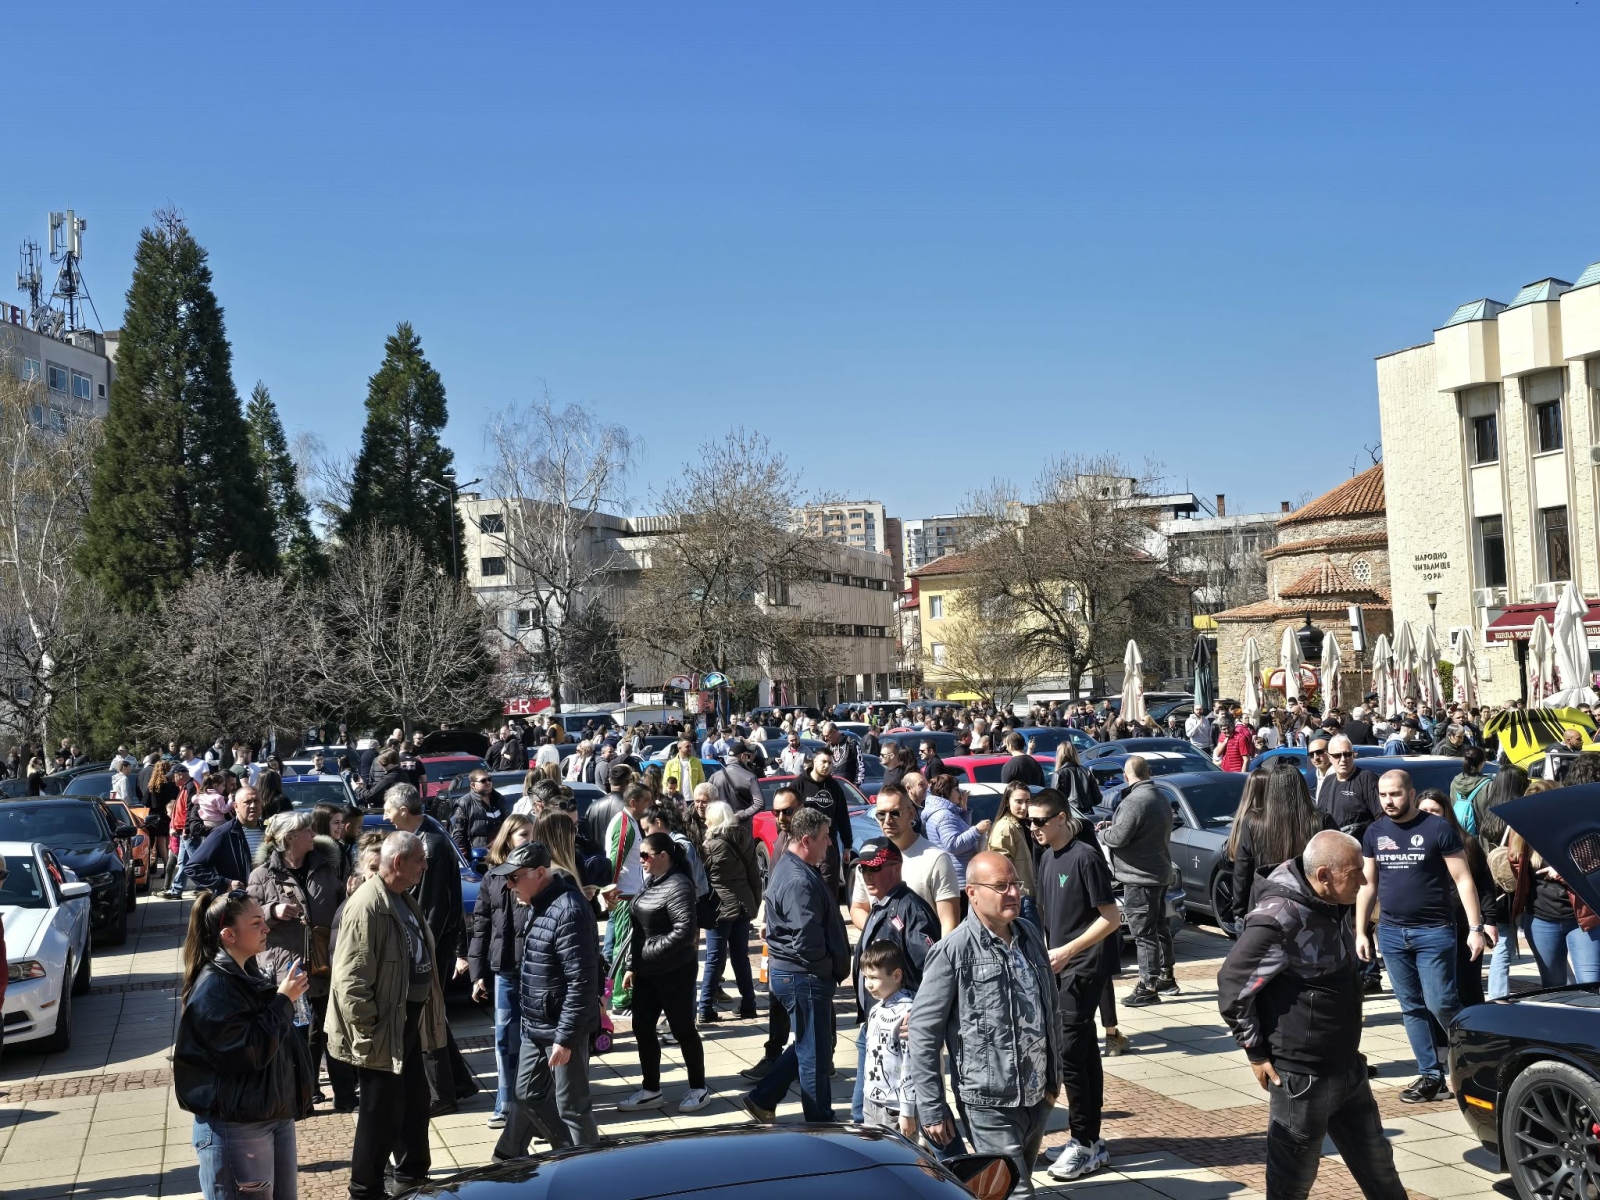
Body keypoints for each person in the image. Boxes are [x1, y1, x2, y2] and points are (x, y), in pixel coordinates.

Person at [1218, 831, 1407, 1200]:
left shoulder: (1332, 901)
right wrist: (1255, 1052)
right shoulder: (1278, 918)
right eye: (1355, 873)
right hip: (1301, 1079)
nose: (1364, 881)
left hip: (1348, 1068)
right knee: (1290, 1186)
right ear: (1324, 876)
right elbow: (1232, 984)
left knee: (1381, 1173)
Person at [907, 851, 1060, 1199]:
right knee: (1017, 1193)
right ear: (972, 893)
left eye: (1016, 884)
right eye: (1001, 886)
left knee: (1001, 1191)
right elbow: (923, 1033)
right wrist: (932, 1107)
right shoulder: (953, 950)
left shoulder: (1029, 934)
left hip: (1037, 1095)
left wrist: (1055, 1077)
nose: (1013, 893)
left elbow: (1049, 1007)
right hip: (989, 1102)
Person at [326, 832, 448, 1200]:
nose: (425, 866)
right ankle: (365, 1189)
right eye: (419, 860)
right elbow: (350, 979)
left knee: (414, 1102)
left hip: (405, 1019)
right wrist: (368, 1030)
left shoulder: (403, 898)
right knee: (379, 1112)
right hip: (381, 1026)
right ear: (399, 862)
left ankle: (411, 1176)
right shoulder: (368, 905)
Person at [1355, 769, 1488, 1102]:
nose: (1388, 801)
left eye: (1395, 794)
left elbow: (1464, 880)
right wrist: (1361, 931)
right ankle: (1431, 1076)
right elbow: (1367, 885)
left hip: (1434, 932)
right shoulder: (1374, 832)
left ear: (1411, 794)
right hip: (1391, 933)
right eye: (1383, 795)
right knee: (1411, 1007)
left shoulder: (1437, 828)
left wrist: (1475, 928)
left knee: (1441, 1002)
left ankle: (1477, 1059)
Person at [175, 889, 313, 1200]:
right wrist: (283, 1001)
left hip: (271, 1114)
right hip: (237, 1125)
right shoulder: (215, 986)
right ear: (229, 935)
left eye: (263, 920)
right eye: (255, 923)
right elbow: (247, 1051)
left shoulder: (247, 972)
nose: (266, 928)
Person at [489, 841, 601, 1159]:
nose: (509, 885)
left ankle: (590, 1169)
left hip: (562, 1028)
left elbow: (581, 981)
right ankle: (565, 1153)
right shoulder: (539, 904)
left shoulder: (569, 909)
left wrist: (565, 1038)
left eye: (514, 878)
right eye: (507, 878)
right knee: (526, 1093)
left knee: (572, 1106)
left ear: (540, 873)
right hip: (536, 1025)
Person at [1030, 789, 1121, 1183]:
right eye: (1029, 821)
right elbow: (1050, 916)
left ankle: (1083, 1142)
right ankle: (1090, 1140)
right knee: (1082, 1051)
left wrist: (1068, 950)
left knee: (1068, 1052)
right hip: (1060, 965)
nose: (1033, 828)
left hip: (1085, 966)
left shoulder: (1085, 857)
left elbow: (1111, 918)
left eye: (1040, 821)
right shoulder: (1046, 858)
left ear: (1061, 819)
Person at [741, 807, 850, 1122]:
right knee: (814, 1056)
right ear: (806, 840)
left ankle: (763, 1098)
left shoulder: (793, 866)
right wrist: (827, 969)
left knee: (810, 1044)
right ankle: (819, 1122)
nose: (829, 843)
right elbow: (807, 941)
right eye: (825, 837)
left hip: (800, 975)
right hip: (805, 977)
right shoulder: (798, 879)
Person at [381, 784, 472, 1115]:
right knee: (433, 1016)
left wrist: (419, 950)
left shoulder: (430, 844)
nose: (386, 817)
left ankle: (443, 1094)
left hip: (431, 946)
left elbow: (433, 907)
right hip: (431, 943)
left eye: (388, 810)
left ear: (404, 811)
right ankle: (459, 1082)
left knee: (427, 1018)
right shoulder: (427, 835)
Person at [247, 811, 343, 1108]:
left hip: (324, 962)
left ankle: (342, 1093)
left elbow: (342, 906)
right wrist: (271, 911)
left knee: (330, 1028)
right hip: (286, 966)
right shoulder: (262, 875)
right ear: (290, 837)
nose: (313, 834)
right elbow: (248, 917)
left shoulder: (326, 868)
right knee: (296, 1034)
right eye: (307, 830)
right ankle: (304, 1094)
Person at [848, 836, 939, 1123]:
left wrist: (920, 1014)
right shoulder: (881, 905)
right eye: (863, 869)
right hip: (877, 1021)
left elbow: (933, 970)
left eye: (874, 868)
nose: (867, 876)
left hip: (900, 1029)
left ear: (896, 867)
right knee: (866, 1108)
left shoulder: (910, 909)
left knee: (906, 1115)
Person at [618, 832, 710, 1112]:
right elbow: (637, 929)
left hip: (675, 971)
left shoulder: (679, 884)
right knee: (642, 1027)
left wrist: (648, 952)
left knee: (683, 1029)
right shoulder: (651, 882)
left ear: (663, 856)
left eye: (645, 855)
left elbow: (685, 931)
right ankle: (651, 1089)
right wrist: (633, 965)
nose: (641, 860)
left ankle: (698, 1088)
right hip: (647, 972)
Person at [468, 814, 537, 1129]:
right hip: (505, 969)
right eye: (523, 834)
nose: (529, 839)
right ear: (508, 837)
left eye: (532, 834)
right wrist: (477, 972)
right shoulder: (492, 877)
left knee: (531, 1039)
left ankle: (531, 1103)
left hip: (535, 969)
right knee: (504, 1038)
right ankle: (505, 1101)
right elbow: (481, 926)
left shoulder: (538, 873)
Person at [1098, 757, 1176, 1005]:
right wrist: (1115, 825)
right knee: (1159, 926)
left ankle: (1148, 987)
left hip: (1139, 877)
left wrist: (1103, 832)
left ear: (1126, 776)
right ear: (1149, 772)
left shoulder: (1134, 800)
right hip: (1159, 873)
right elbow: (1140, 829)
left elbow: (1119, 837)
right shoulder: (1159, 796)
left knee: (1144, 933)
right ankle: (1166, 977)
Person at [1415, 789, 1499, 1007]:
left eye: (1434, 811)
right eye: (1423, 811)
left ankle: (1474, 1025)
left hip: (1463, 925)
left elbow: (1484, 885)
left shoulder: (1467, 843)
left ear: (1446, 813)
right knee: (1435, 989)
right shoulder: (1412, 845)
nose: (1429, 815)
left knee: (1468, 985)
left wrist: (1489, 920)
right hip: (1428, 926)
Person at [854, 783, 961, 935]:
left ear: (911, 814)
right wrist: (884, 932)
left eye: (895, 813)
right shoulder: (869, 857)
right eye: (881, 814)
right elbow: (858, 907)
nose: (887, 820)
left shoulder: (937, 859)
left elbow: (949, 923)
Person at [1231, 765, 1330, 923]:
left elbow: (1242, 872)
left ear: (1270, 790)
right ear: (1302, 788)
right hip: (1310, 909)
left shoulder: (1253, 822)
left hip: (1265, 907)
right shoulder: (1321, 821)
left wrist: (1239, 912)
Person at [698, 799, 762, 1022]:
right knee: (740, 957)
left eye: (708, 818)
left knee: (714, 958)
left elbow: (701, 878)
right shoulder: (745, 838)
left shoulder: (710, 846)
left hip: (719, 908)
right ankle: (749, 1003)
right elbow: (754, 874)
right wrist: (755, 903)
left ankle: (705, 1007)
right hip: (743, 905)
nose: (705, 821)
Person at [601, 782, 652, 1013]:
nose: (649, 804)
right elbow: (615, 858)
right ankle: (621, 1000)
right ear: (633, 802)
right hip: (624, 896)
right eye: (646, 800)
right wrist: (611, 890)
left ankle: (621, 993)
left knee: (624, 946)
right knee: (623, 947)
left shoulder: (629, 822)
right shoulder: (624, 824)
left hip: (628, 893)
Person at [859, 940, 918, 1132]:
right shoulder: (876, 1009)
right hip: (872, 1100)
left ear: (896, 975)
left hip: (895, 1106)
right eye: (865, 977)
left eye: (874, 978)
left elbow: (911, 1063)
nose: (868, 984)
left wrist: (907, 1111)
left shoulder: (907, 1013)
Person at [186, 787, 260, 895]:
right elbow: (192, 868)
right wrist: (224, 883)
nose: (253, 805)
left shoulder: (269, 831)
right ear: (235, 806)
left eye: (256, 801)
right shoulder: (223, 833)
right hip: (240, 899)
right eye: (247, 802)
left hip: (268, 898)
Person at [924, 773, 991, 891]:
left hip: (957, 878)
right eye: (956, 789)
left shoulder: (945, 812)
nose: (959, 793)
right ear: (947, 791)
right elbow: (953, 845)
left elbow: (960, 831)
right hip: (958, 881)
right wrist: (977, 830)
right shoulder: (944, 815)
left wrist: (963, 811)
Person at [989, 781, 1039, 925]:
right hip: (1020, 896)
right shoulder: (1005, 827)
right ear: (1007, 802)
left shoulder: (1025, 824)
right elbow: (1001, 868)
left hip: (1031, 893)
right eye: (1018, 801)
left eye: (1027, 801)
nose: (1024, 807)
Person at [451, 769, 506, 863]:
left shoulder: (498, 799)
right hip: (480, 860)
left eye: (489, 779)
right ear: (473, 785)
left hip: (501, 855)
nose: (488, 783)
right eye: (483, 781)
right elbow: (458, 835)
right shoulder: (464, 804)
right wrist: (465, 862)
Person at [1051, 741, 1101, 816]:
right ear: (1075, 754)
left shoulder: (1058, 774)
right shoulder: (1086, 771)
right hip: (1088, 814)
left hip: (1069, 815)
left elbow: (1054, 801)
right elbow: (1097, 799)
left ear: (1059, 755)